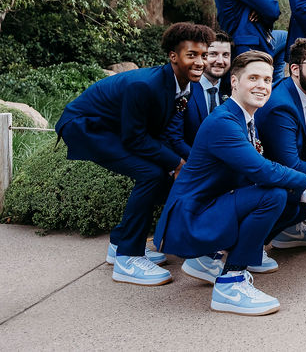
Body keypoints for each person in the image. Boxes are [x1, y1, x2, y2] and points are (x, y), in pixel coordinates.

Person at [154, 51, 306, 315]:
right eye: (253, 78)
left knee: (287, 197)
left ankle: (206, 260)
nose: (261, 85)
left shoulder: (245, 118)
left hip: (208, 207)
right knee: (272, 196)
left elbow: (253, 174)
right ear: (234, 82)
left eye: (267, 79)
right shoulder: (224, 122)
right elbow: (262, 170)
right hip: (190, 219)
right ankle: (230, 283)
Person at [54, 22, 214, 286]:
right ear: (173, 56)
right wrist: (176, 163)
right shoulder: (146, 86)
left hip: (116, 128)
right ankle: (127, 258)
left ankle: (119, 243)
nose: (200, 62)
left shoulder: (188, 86)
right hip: (86, 126)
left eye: (203, 55)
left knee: (159, 174)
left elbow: (170, 134)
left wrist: (195, 162)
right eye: (192, 55)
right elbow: (134, 138)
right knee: (152, 174)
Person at [255, 36, 306, 240]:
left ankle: (292, 229)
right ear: (295, 69)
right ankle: (263, 238)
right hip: (266, 181)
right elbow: (288, 164)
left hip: (295, 166)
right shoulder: (281, 106)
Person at [165, 30, 232, 159]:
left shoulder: (232, 91)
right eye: (213, 54)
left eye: (225, 55)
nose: (220, 61)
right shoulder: (184, 89)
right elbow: (174, 136)